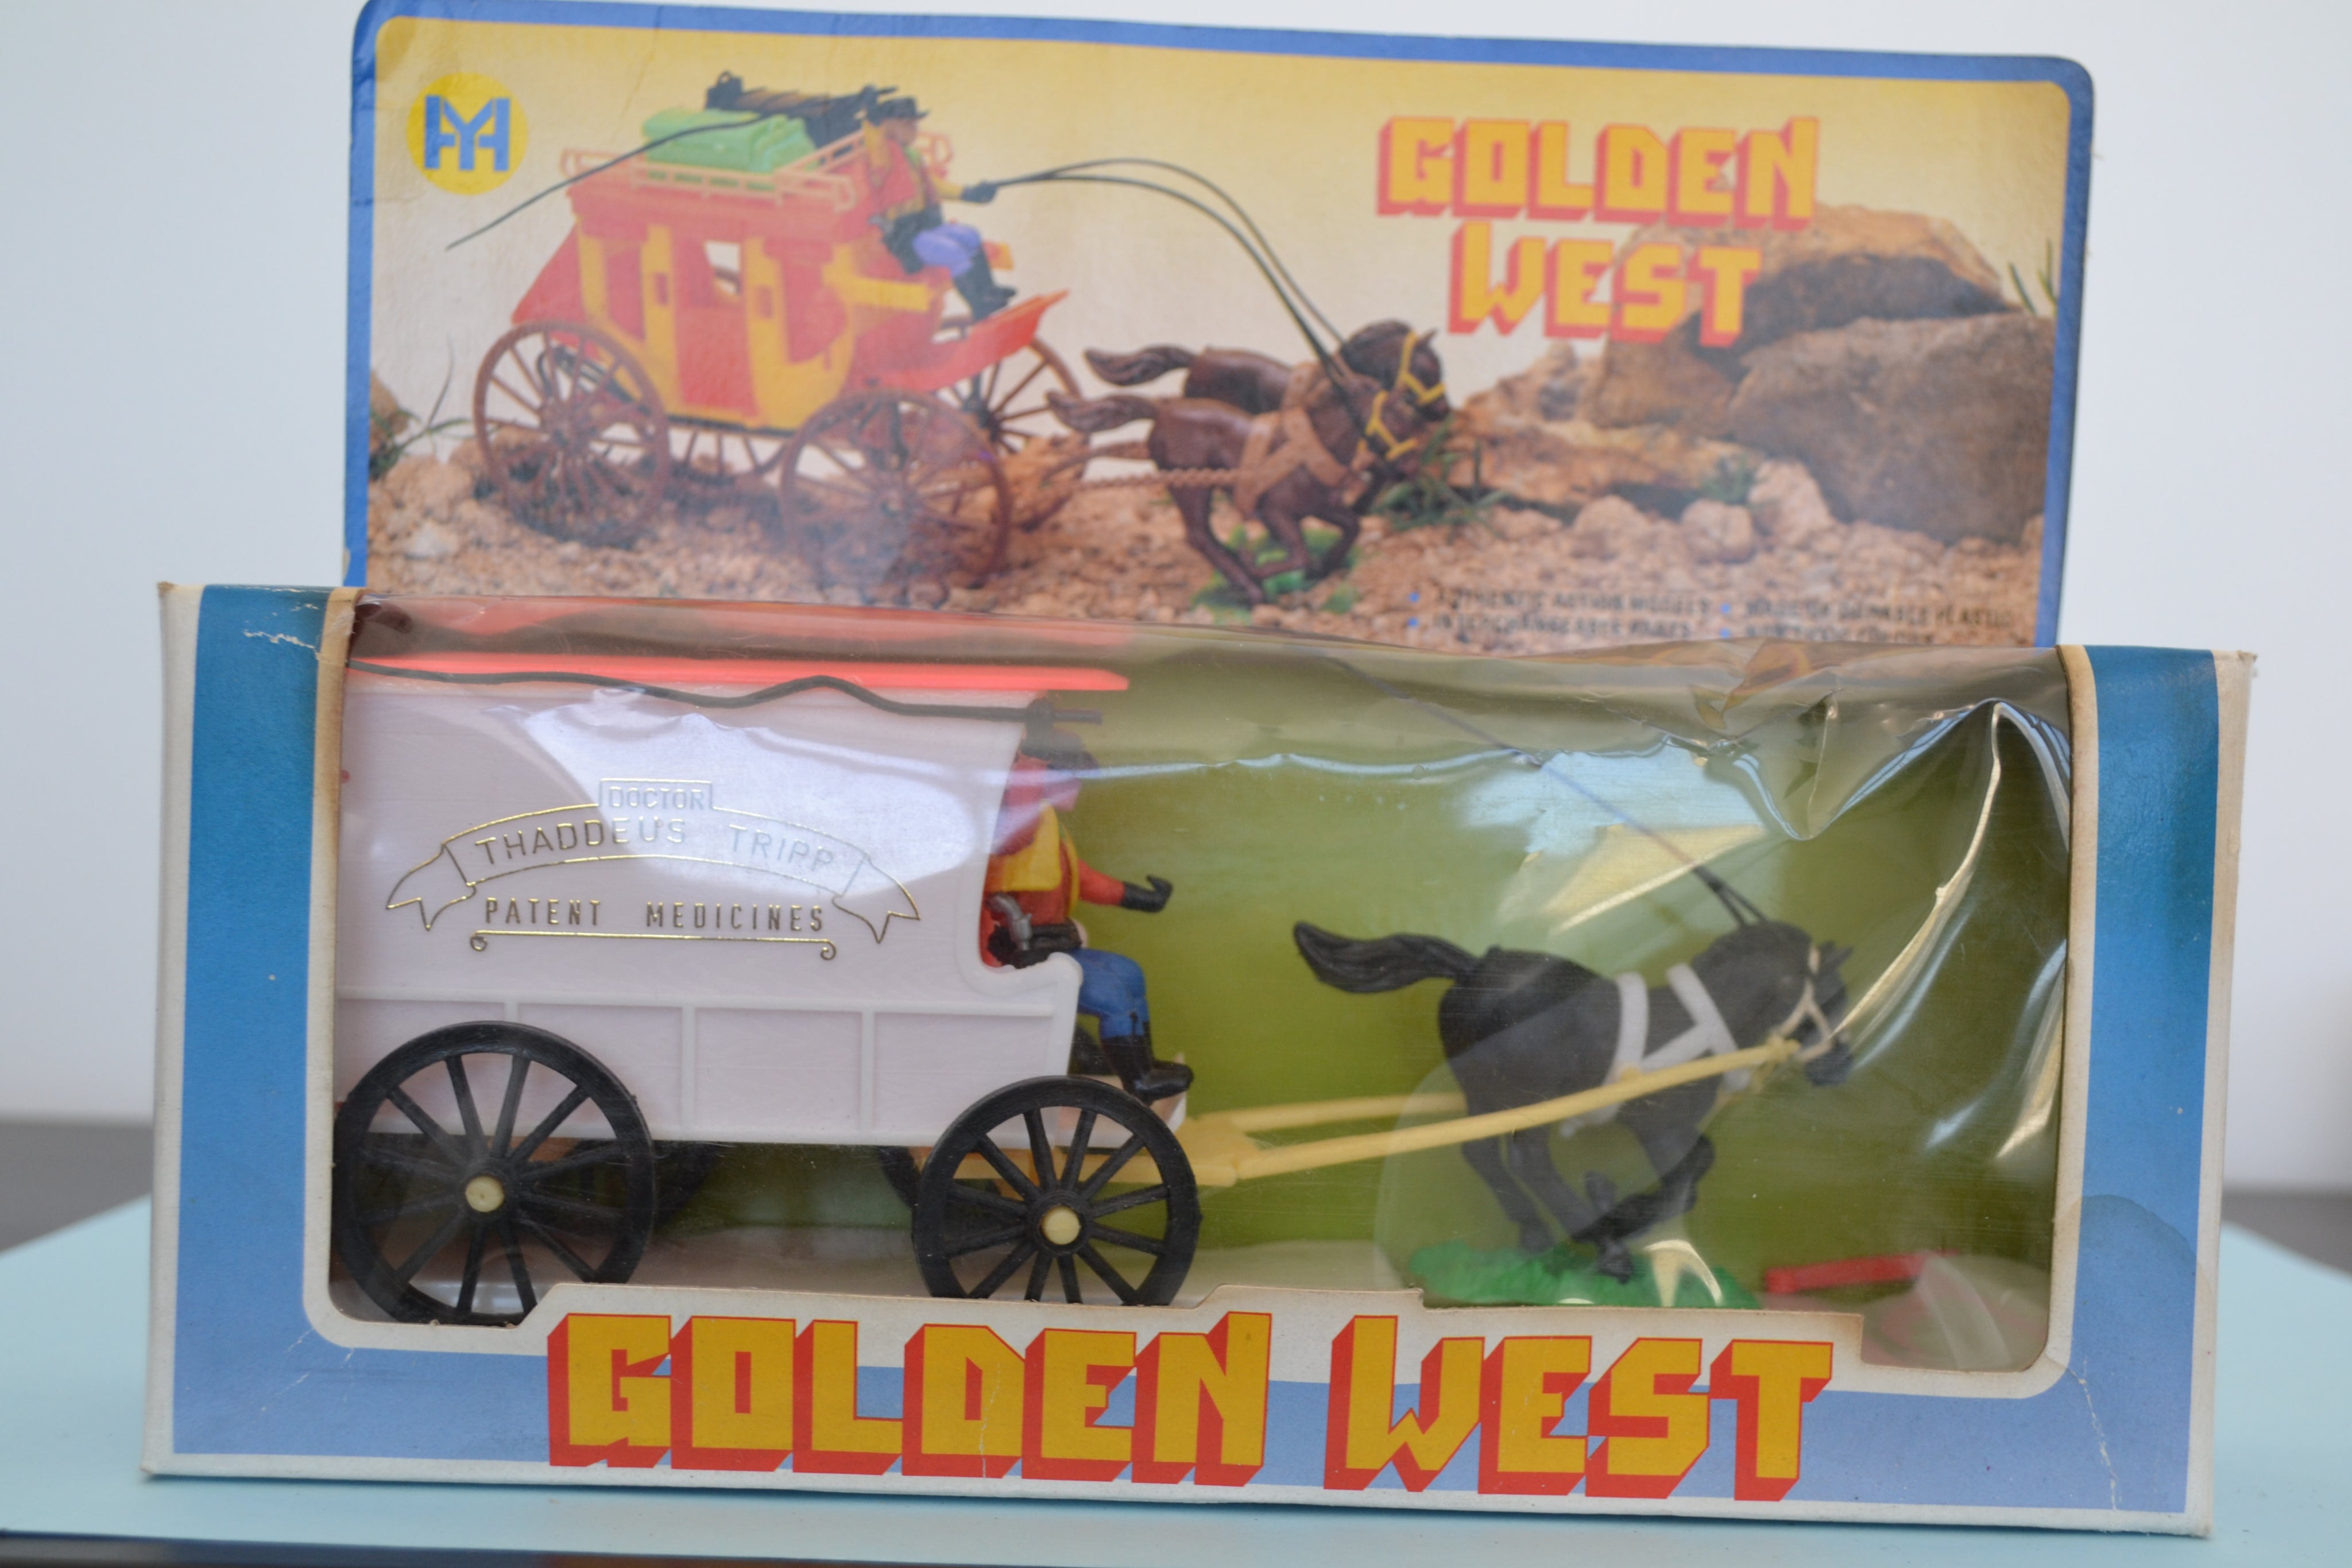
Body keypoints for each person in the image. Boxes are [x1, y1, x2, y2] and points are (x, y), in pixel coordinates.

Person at [980, 729, 1190, 1102]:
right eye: (1072, 777)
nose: (1078, 785)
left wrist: (1140, 898)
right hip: (1021, 952)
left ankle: (1142, 1067)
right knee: (1111, 992)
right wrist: (1032, 762)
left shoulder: (1050, 828)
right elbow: (1016, 829)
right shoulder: (1017, 825)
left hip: (1055, 941)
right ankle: (1139, 1081)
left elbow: (1085, 879)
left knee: (1129, 972)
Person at [862, 96, 1015, 320]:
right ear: (889, 126)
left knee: (970, 235)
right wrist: (872, 121)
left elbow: (935, 185)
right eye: (907, 124)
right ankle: (980, 308)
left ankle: (989, 292)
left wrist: (969, 193)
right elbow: (874, 140)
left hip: (926, 225)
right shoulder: (882, 158)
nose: (914, 129)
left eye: (914, 123)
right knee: (953, 252)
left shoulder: (912, 157)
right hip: (904, 236)